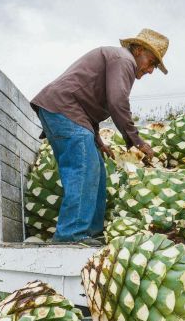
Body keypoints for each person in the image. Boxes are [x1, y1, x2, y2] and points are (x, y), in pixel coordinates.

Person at [30, 29, 168, 245]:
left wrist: (97, 140)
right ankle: (71, 235)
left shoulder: (118, 60)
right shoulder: (124, 60)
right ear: (139, 50)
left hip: (68, 111)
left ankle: (91, 234)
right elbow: (117, 102)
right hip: (64, 109)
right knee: (83, 170)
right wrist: (137, 141)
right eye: (151, 62)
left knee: (96, 171)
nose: (150, 70)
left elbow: (88, 102)